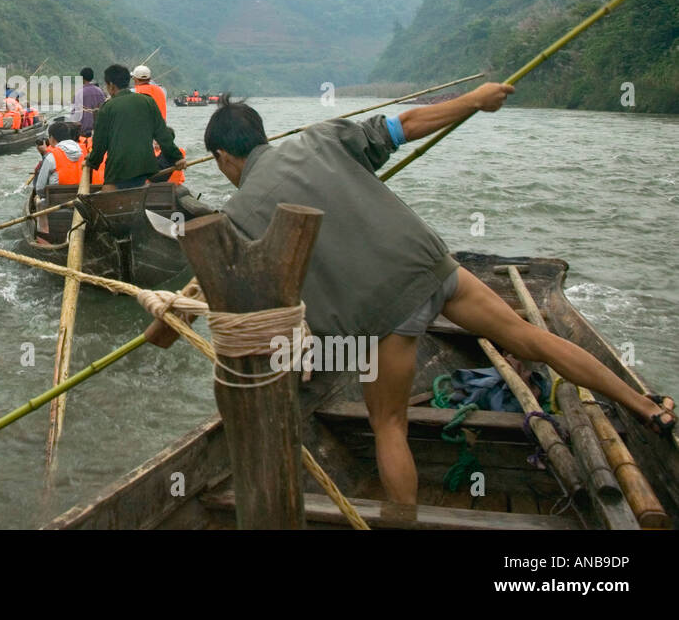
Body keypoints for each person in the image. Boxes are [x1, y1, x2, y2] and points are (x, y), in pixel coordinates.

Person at [177, 84, 675, 505]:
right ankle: (647, 407)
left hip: (382, 319)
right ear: (261, 134)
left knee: (389, 426)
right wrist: (475, 100)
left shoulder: (238, 216)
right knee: (530, 338)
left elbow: (262, 304)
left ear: (223, 157)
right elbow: (406, 125)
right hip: (432, 267)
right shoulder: (321, 139)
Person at [86, 64, 184, 190]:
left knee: (108, 192)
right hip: (145, 166)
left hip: (119, 166)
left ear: (110, 85)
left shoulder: (107, 107)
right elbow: (162, 133)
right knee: (137, 194)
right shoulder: (148, 101)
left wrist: (91, 162)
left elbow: (100, 143)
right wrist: (177, 158)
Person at [70, 67, 106, 138]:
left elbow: (74, 116)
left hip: (83, 133)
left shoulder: (79, 93)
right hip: (98, 131)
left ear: (82, 78)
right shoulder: (100, 92)